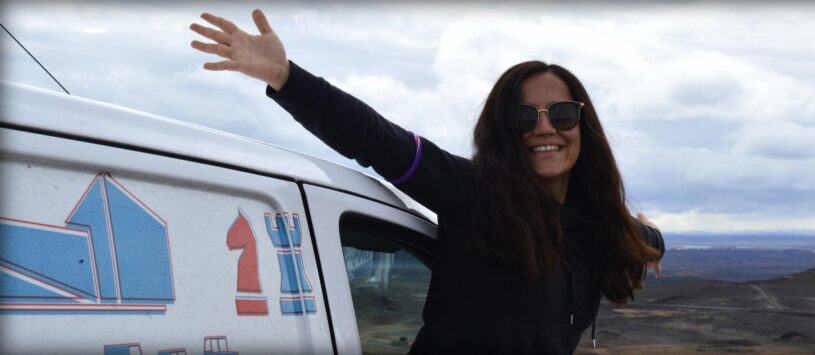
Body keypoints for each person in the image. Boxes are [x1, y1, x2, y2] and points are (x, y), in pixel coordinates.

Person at [190, 9, 665, 354]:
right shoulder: (474, 194)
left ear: (583, 126)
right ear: (505, 130)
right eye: (525, 117)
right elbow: (378, 141)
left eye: (561, 113)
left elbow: (642, 238)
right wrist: (285, 77)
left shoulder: (596, 226)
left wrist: (651, 238)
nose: (544, 128)